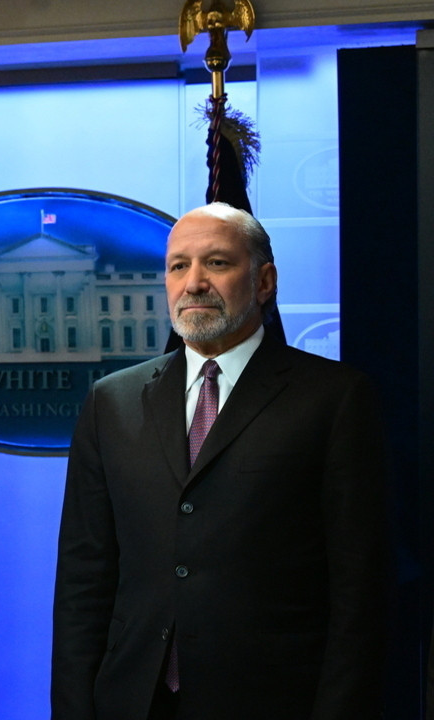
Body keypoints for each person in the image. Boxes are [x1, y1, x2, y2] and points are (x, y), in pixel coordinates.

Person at [51, 202, 388, 719]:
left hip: (273, 702)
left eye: (217, 263)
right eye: (178, 266)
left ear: (264, 281)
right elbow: (83, 579)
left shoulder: (333, 398)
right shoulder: (111, 402)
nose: (194, 283)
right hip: (134, 700)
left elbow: (359, 591)